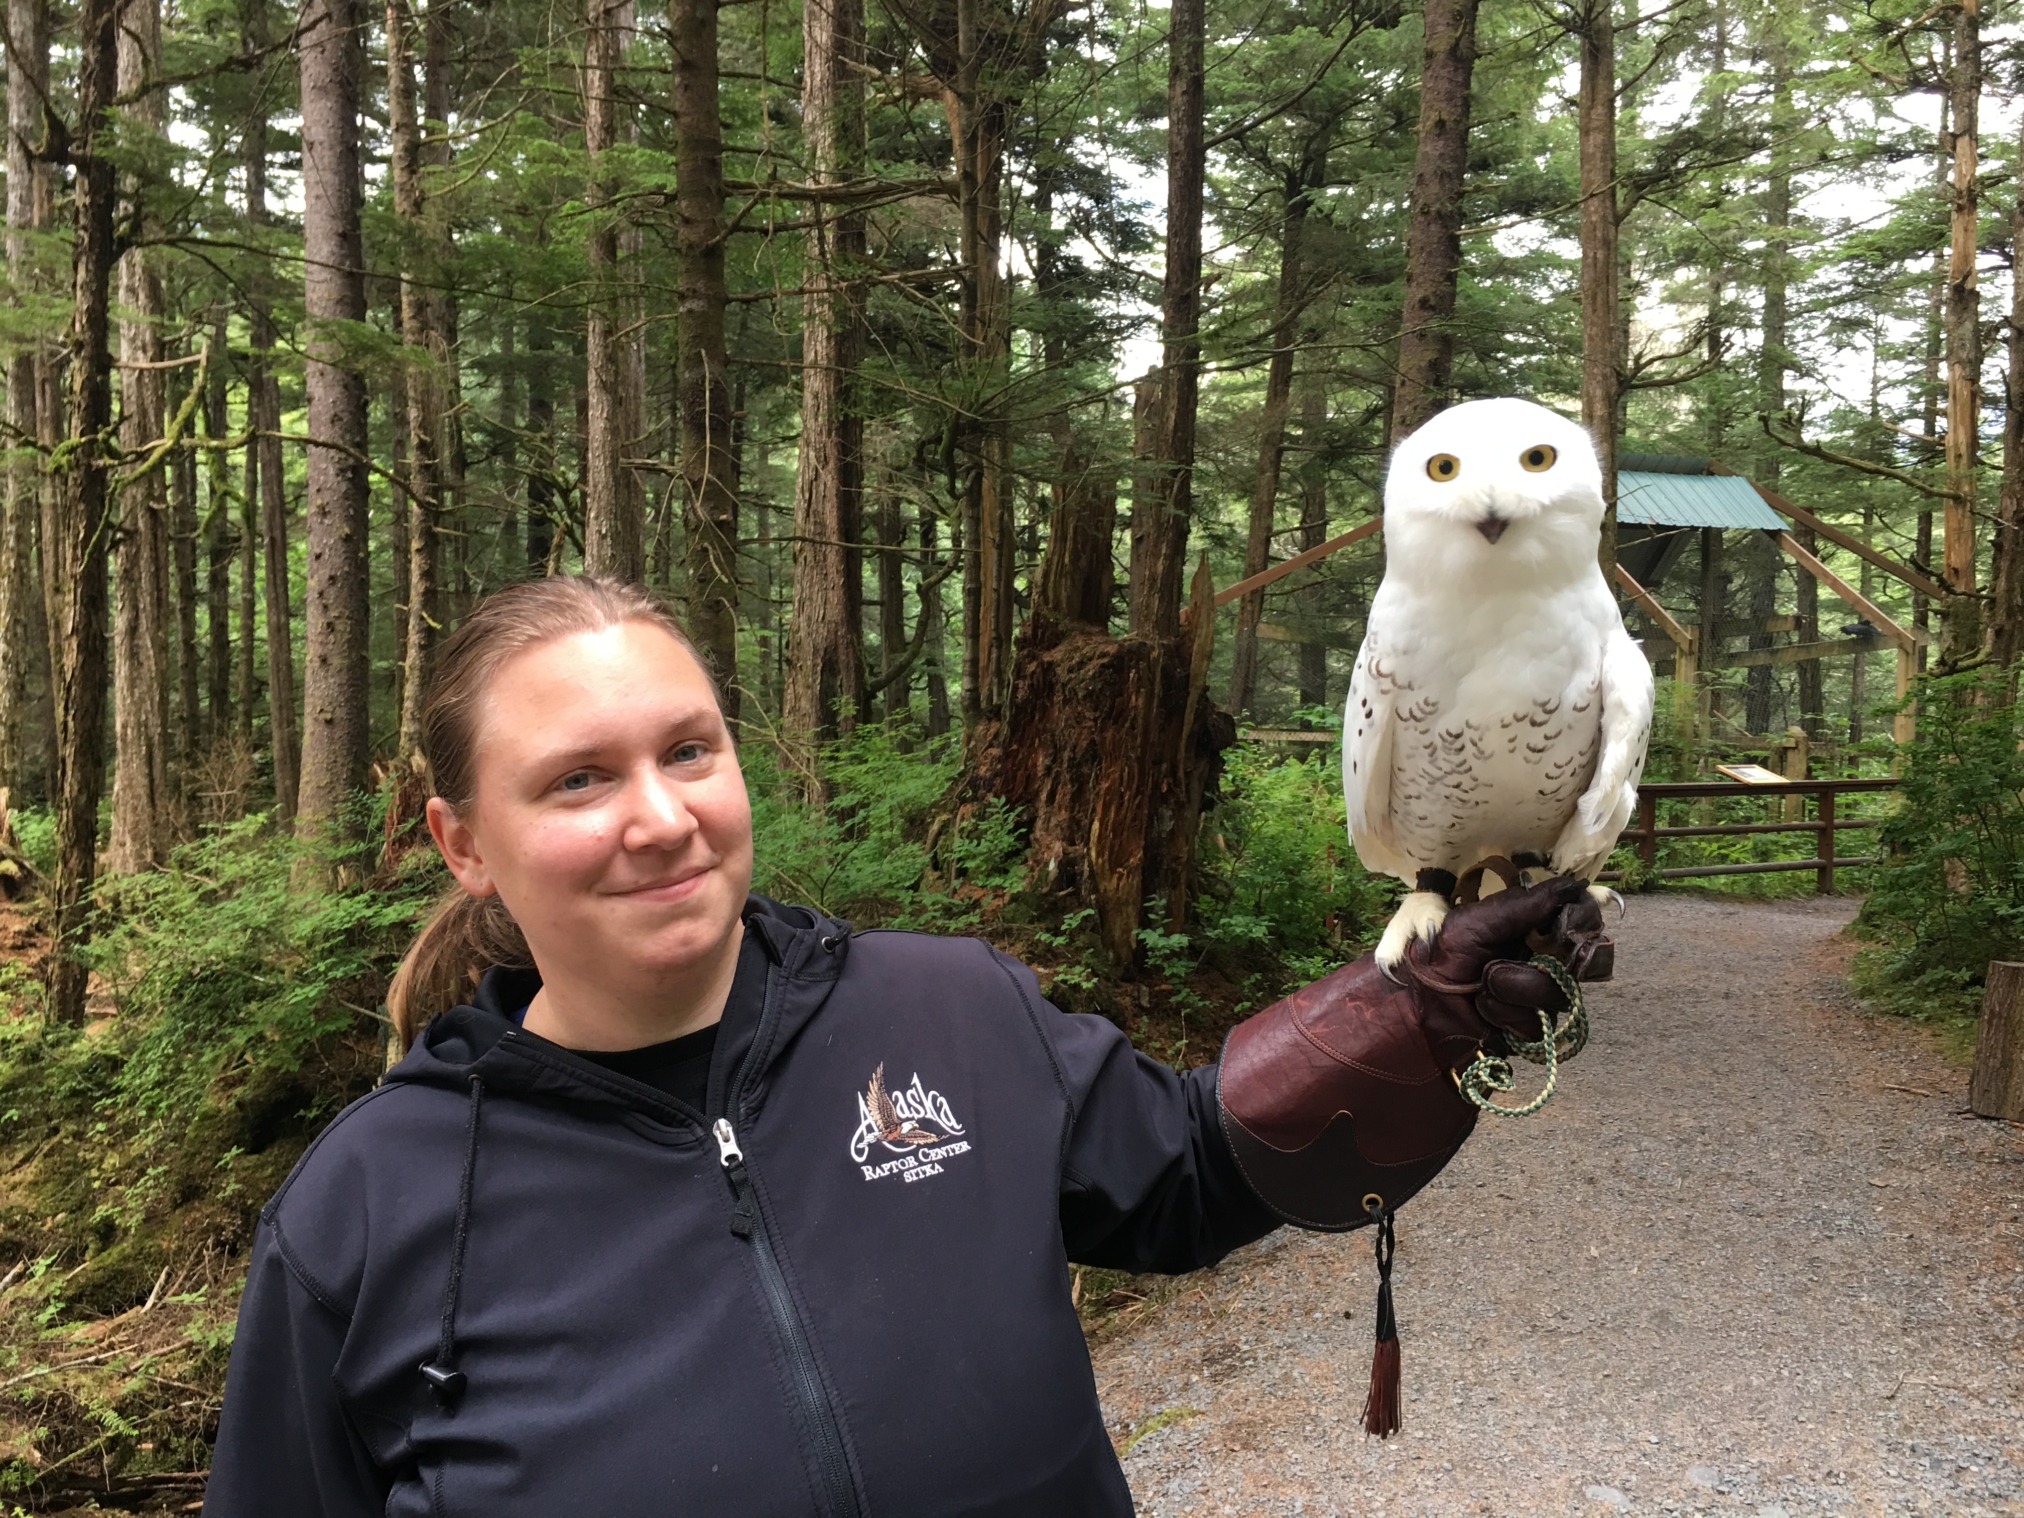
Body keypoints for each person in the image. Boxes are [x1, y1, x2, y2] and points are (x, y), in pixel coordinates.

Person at [202, 575, 1588, 1517]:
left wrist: (1416, 1009)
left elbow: (1194, 1168)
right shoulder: (369, 1210)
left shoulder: (949, 1011)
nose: (662, 815)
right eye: (579, 777)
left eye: (689, 749)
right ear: (463, 845)